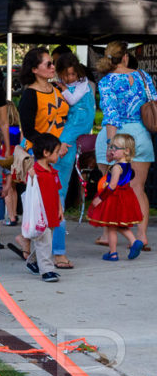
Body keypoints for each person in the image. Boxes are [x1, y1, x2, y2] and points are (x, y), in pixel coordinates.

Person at [95, 41, 153, 251]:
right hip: (140, 134)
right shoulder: (144, 77)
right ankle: (142, 235)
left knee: (109, 185)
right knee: (138, 188)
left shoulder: (107, 81)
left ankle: (106, 234)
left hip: (115, 134)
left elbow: (111, 116)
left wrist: (111, 145)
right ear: (126, 57)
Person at [52, 51, 95, 269]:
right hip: (74, 123)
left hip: (78, 121)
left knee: (63, 142)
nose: (68, 78)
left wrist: (61, 88)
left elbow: (71, 98)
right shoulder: (75, 83)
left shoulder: (82, 84)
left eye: (71, 74)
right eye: (64, 75)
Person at [87, 133, 145, 261]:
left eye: (115, 148)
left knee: (111, 226)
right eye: (111, 147)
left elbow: (112, 185)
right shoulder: (127, 165)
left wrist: (100, 198)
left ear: (126, 151)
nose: (112, 150)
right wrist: (110, 157)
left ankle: (113, 253)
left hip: (114, 197)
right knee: (119, 224)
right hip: (126, 196)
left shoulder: (117, 167)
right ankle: (134, 241)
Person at [19, 133, 65, 282]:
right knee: (44, 241)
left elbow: (57, 193)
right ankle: (47, 270)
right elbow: (30, 189)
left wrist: (59, 209)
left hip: (51, 213)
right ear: (46, 153)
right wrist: (31, 176)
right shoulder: (35, 172)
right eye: (56, 152)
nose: (58, 155)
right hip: (39, 215)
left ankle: (32, 262)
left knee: (45, 242)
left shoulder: (53, 172)